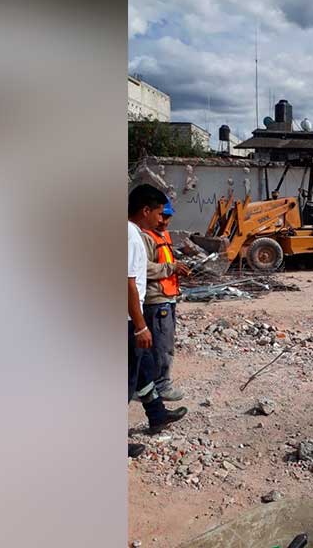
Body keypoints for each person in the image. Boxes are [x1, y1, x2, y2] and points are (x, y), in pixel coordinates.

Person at [128, 184, 188, 458]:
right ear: (146, 210)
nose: (161, 218)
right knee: (128, 378)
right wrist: (140, 325)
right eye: (159, 212)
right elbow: (128, 283)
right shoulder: (131, 236)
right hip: (132, 316)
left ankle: (157, 415)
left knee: (145, 368)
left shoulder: (137, 234)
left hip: (136, 312)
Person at [141, 200, 192, 402]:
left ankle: (149, 383)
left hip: (168, 296)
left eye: (168, 217)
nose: (164, 221)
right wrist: (171, 268)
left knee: (163, 343)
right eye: (162, 216)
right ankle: (161, 385)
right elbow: (142, 267)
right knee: (162, 346)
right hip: (157, 299)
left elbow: (165, 263)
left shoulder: (163, 235)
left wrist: (177, 269)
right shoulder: (146, 237)